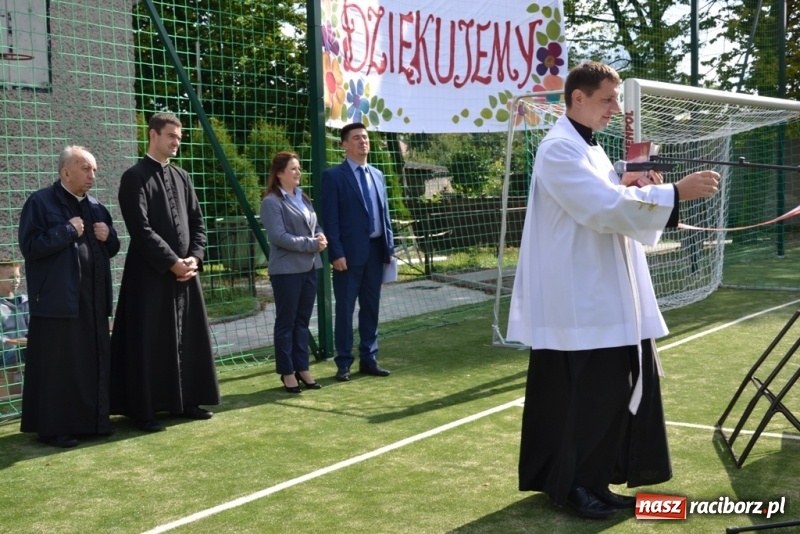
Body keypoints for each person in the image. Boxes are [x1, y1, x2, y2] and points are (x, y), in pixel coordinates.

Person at [507, 62, 721, 519]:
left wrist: (630, 182)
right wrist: (674, 193)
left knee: (605, 393)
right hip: (580, 297)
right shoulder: (558, 148)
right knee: (588, 396)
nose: (615, 108)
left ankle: (592, 480)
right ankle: (575, 485)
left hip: (601, 289)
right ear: (577, 98)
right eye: (607, 99)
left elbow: (608, 194)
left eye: (616, 99)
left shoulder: (589, 146)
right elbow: (602, 207)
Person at [110, 112, 219, 433]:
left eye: (179, 138)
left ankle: (186, 401)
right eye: (171, 136)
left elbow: (198, 224)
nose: (176, 142)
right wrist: (172, 262)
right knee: (149, 342)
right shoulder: (134, 177)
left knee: (188, 338)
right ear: (153, 135)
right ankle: (143, 410)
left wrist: (194, 258)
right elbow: (140, 229)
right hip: (149, 277)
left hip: (186, 276)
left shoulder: (182, 176)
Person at [18, 146, 120, 448]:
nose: (92, 176)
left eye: (94, 170)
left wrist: (109, 236)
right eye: (85, 169)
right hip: (57, 302)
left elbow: (111, 249)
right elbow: (30, 247)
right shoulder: (40, 202)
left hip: (93, 301)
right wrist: (66, 230)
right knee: (59, 367)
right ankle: (54, 429)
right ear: (65, 172)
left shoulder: (97, 207)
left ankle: (94, 423)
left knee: (91, 362)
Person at [321, 122, 395, 381]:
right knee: (345, 310)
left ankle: (369, 358)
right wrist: (336, 253)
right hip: (348, 256)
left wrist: (389, 248)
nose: (363, 141)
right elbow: (330, 219)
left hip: (376, 252)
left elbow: (385, 214)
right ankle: (343, 363)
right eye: (356, 138)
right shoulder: (333, 176)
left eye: (365, 137)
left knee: (371, 308)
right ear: (344, 145)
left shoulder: (378, 175)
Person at [260, 151, 327, 393]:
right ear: (279, 173)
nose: (298, 172)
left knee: (302, 322)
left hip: (310, 267)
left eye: (299, 168)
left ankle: (302, 368)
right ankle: (287, 372)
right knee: (286, 322)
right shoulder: (271, 202)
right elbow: (279, 237)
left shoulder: (303, 197)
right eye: (293, 168)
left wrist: (320, 235)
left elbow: (314, 225)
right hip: (286, 271)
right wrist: (312, 244)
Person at [0, 261, 29, 370]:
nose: (16, 281)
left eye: (18, 276)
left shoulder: (25, 301)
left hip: (26, 347)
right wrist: (16, 342)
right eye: (11, 277)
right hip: (5, 353)